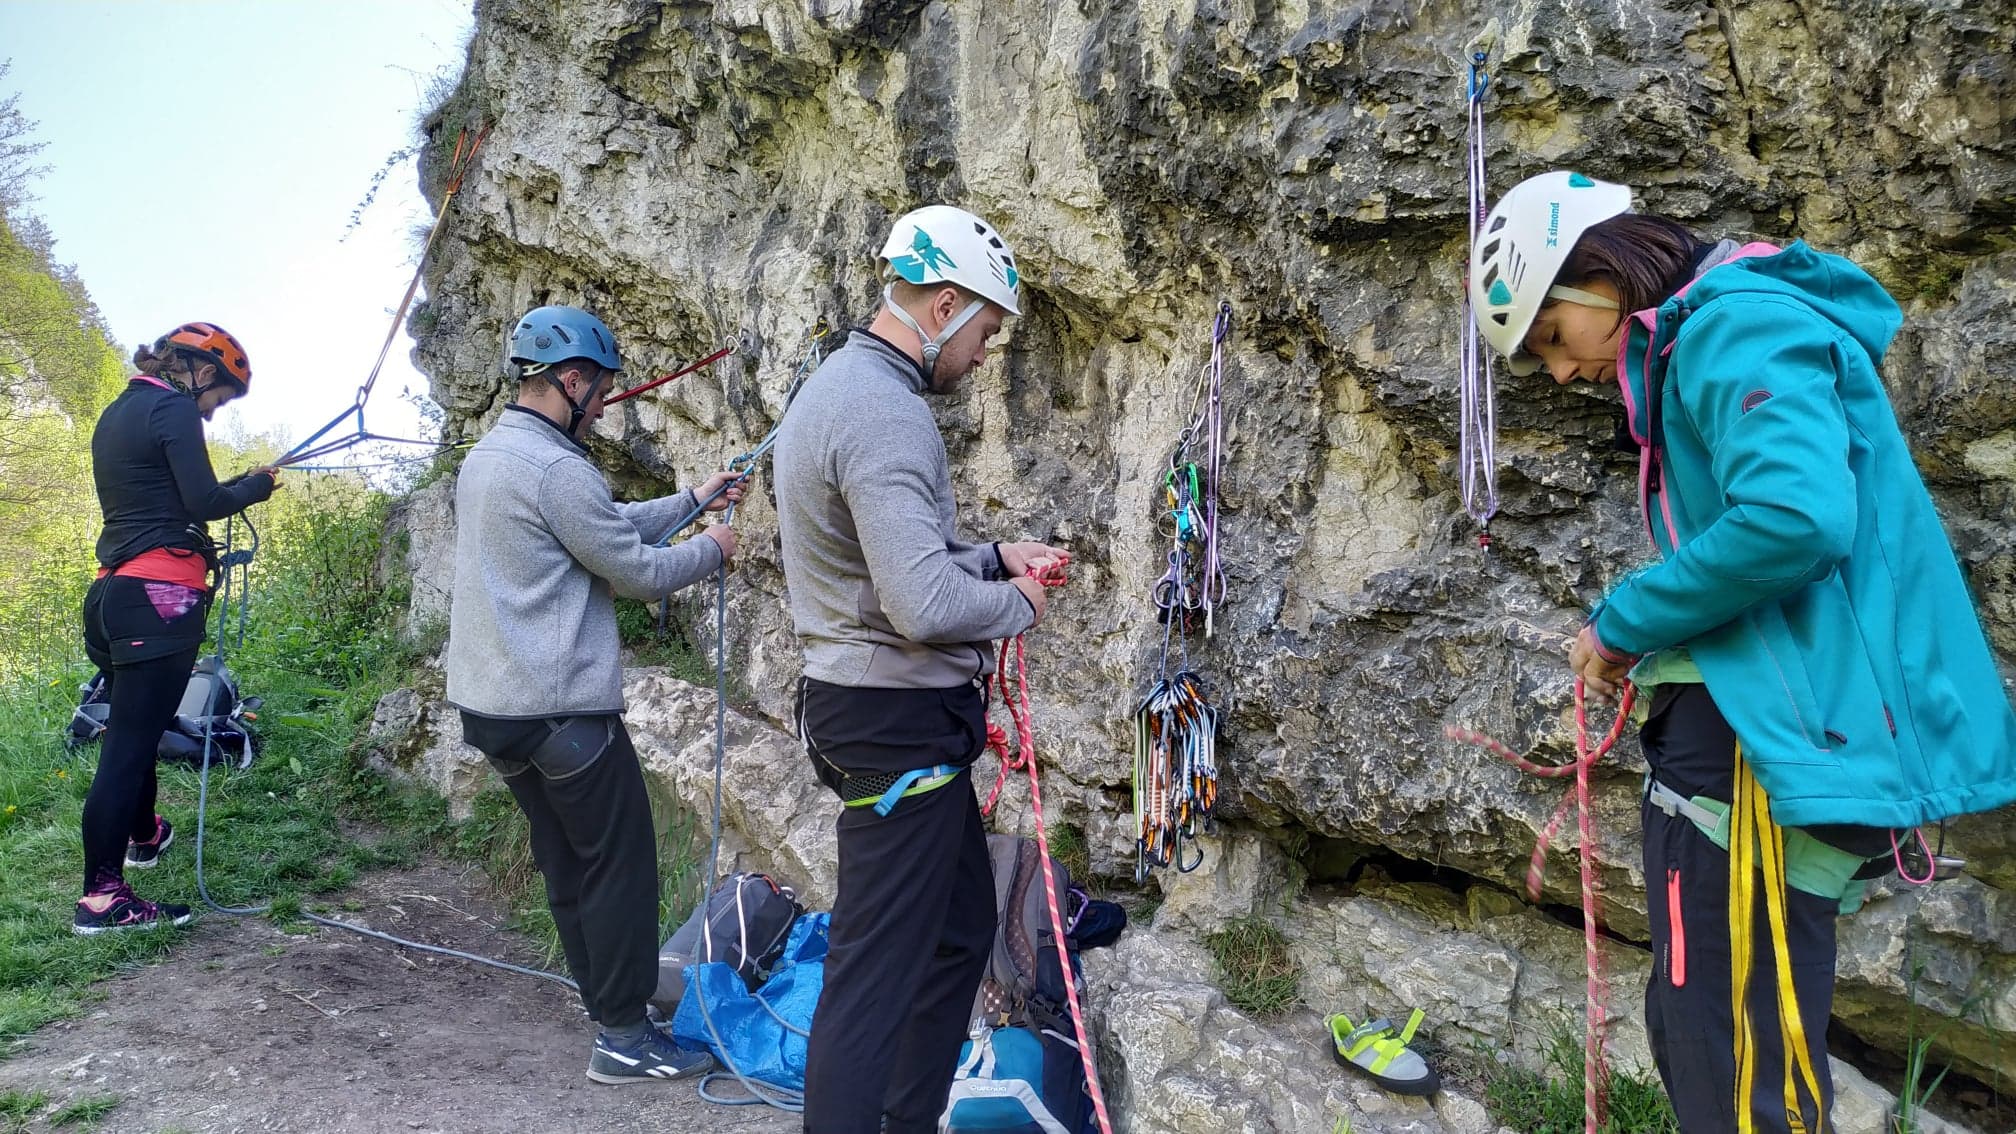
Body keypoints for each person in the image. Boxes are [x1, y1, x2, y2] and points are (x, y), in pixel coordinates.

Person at [1468, 170, 2016, 1132]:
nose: (1557, 372)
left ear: (1604, 275)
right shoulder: (1732, 329)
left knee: (1722, 1046)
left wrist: (1622, 621)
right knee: (1740, 1037)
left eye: (1553, 335)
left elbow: (1794, 518)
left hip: (1746, 757)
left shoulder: (1732, 328)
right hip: (1772, 739)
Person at [775, 205, 1068, 1133]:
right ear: (943, 304)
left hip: (874, 712)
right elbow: (922, 608)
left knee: (955, 935)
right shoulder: (885, 413)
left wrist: (991, 555)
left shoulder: (838, 390)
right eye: (984, 331)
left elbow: (892, 567)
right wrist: (1019, 605)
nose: (983, 355)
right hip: (891, 720)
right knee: (872, 973)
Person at [446, 304, 745, 1085]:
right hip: (561, 714)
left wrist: (692, 502)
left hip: (497, 713)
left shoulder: (494, 456)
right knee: (620, 869)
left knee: (570, 868)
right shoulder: (557, 469)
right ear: (571, 381)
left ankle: (608, 1009)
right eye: (602, 391)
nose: (606, 405)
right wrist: (713, 550)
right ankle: (623, 1039)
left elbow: (599, 526)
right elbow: (635, 571)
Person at [75, 322, 278, 935]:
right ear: (200, 372)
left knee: (138, 724)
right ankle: (102, 898)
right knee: (129, 744)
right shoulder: (173, 408)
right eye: (218, 399)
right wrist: (258, 486)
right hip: (159, 596)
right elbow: (204, 502)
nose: (212, 414)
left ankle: (144, 834)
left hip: (113, 595)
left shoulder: (119, 413)